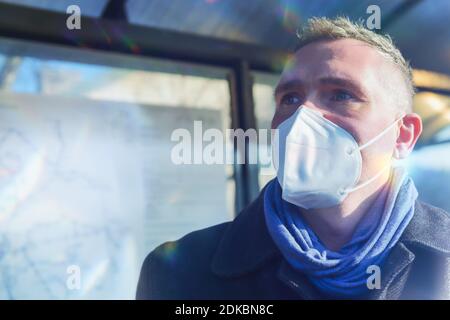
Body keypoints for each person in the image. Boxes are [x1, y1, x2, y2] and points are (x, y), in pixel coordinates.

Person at [136, 17, 450, 300]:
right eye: (290, 98)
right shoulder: (181, 273)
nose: (303, 115)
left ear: (403, 135)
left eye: (341, 94)